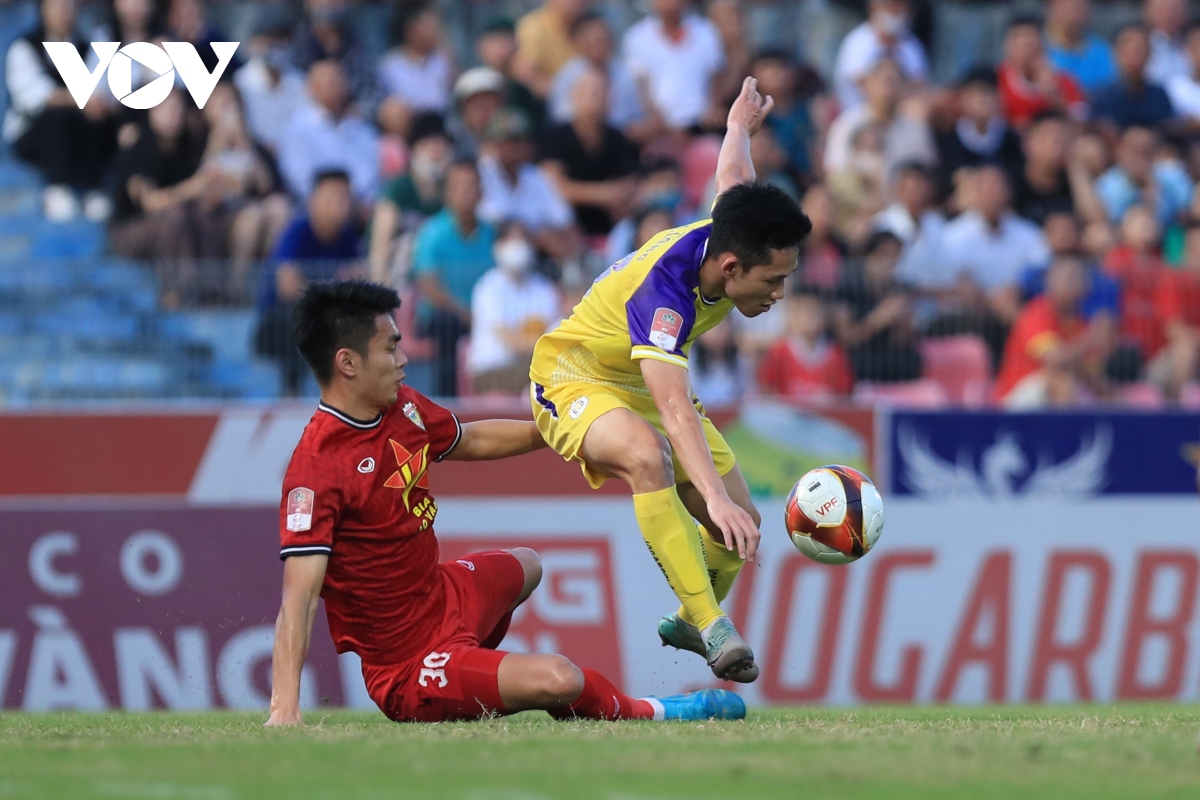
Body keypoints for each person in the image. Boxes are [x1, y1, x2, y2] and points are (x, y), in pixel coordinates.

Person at [267, 280, 744, 726]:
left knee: (527, 566)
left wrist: (559, 428)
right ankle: (654, 710)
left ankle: (474, 676)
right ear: (347, 363)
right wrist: (284, 708)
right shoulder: (316, 471)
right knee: (561, 678)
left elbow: (470, 440)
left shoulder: (401, 407)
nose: (403, 359)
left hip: (443, 597)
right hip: (404, 663)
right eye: (390, 348)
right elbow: (299, 595)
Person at [528, 78, 812, 683]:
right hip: (575, 375)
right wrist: (707, 497)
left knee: (744, 524)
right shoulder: (666, 298)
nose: (779, 293)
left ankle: (688, 617)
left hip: (636, 381)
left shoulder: (730, 230)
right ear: (732, 267)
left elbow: (733, 174)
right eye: (773, 281)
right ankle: (712, 626)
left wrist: (737, 127)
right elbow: (675, 410)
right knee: (647, 453)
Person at [5, 0, 118, 221]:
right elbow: (36, 97)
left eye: (69, 6)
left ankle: (93, 189)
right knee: (57, 117)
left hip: (79, 132)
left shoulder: (89, 46)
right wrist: (79, 101)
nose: (64, 13)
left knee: (98, 119)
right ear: (43, 11)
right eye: (57, 7)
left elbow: (101, 92)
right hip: (32, 133)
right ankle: (57, 188)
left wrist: (92, 103)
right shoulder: (24, 47)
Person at [256, 169, 363, 395]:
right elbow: (288, 286)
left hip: (326, 319)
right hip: (277, 326)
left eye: (345, 196)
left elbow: (359, 279)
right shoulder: (296, 232)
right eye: (333, 196)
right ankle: (291, 392)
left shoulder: (348, 237)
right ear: (314, 200)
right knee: (297, 320)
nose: (341, 203)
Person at [411, 160, 496, 397]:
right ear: (447, 193)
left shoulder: (492, 233)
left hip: (484, 318)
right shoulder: (432, 232)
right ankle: (447, 400)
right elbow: (429, 287)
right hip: (442, 318)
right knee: (448, 324)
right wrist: (466, 315)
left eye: (472, 185)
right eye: (460, 186)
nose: (467, 192)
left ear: (481, 191)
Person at [540, 68, 639, 238]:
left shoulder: (617, 138)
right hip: (567, 227)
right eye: (591, 93)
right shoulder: (554, 137)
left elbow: (627, 181)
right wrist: (604, 194)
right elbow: (555, 188)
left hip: (611, 227)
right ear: (574, 97)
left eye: (603, 93)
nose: (597, 99)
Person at [467, 223, 560, 394]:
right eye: (512, 240)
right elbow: (510, 341)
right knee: (551, 376)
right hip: (492, 370)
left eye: (523, 240)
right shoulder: (488, 287)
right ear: (498, 246)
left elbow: (555, 328)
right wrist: (544, 343)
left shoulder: (543, 287)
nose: (518, 246)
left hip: (533, 366)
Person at [278, 60, 380, 211]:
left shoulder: (360, 127)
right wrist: (338, 201)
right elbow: (300, 179)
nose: (337, 87)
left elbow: (372, 171)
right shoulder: (296, 128)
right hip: (318, 208)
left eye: (340, 80)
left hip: (364, 206)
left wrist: (360, 201)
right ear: (312, 88)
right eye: (330, 83)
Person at [994, 255, 1092, 408]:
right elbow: (1055, 360)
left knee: (1107, 392)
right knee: (1060, 382)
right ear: (1050, 282)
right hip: (1014, 398)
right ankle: (1065, 432)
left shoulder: (1081, 322)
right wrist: (1091, 339)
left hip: (1060, 395)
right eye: (1067, 277)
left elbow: (1086, 372)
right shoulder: (1036, 313)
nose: (1072, 283)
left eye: (1078, 277)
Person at [621, 0, 725, 134]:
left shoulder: (707, 32)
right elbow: (640, 86)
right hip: (658, 129)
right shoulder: (637, 36)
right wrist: (657, 120)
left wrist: (712, 108)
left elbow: (715, 77)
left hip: (701, 125)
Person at [757, 289, 854, 402]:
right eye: (805, 312)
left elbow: (844, 393)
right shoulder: (779, 352)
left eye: (815, 312)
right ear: (793, 317)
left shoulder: (835, 354)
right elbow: (767, 388)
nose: (810, 318)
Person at [832, 0, 928, 111]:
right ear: (875, 8)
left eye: (903, 8)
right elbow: (863, 84)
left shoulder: (912, 45)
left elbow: (920, 85)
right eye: (893, 7)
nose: (899, 13)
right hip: (857, 114)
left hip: (901, 117)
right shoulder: (859, 40)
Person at [997, 15, 1088, 129]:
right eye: (1018, 37)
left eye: (1032, 37)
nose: (1026, 43)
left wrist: (1055, 97)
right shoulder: (995, 81)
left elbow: (1081, 125)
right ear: (1006, 45)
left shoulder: (1064, 81)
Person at [1090, 23, 1177, 131]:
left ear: (1149, 54)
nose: (1136, 56)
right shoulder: (1101, 96)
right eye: (1131, 49)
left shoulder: (1160, 95)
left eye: (1141, 50)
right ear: (1117, 52)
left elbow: (1168, 129)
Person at [1044, 0, 1117, 96]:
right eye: (1066, 2)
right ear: (1050, 7)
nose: (1075, 5)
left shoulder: (1103, 50)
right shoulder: (1036, 51)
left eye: (1082, 2)